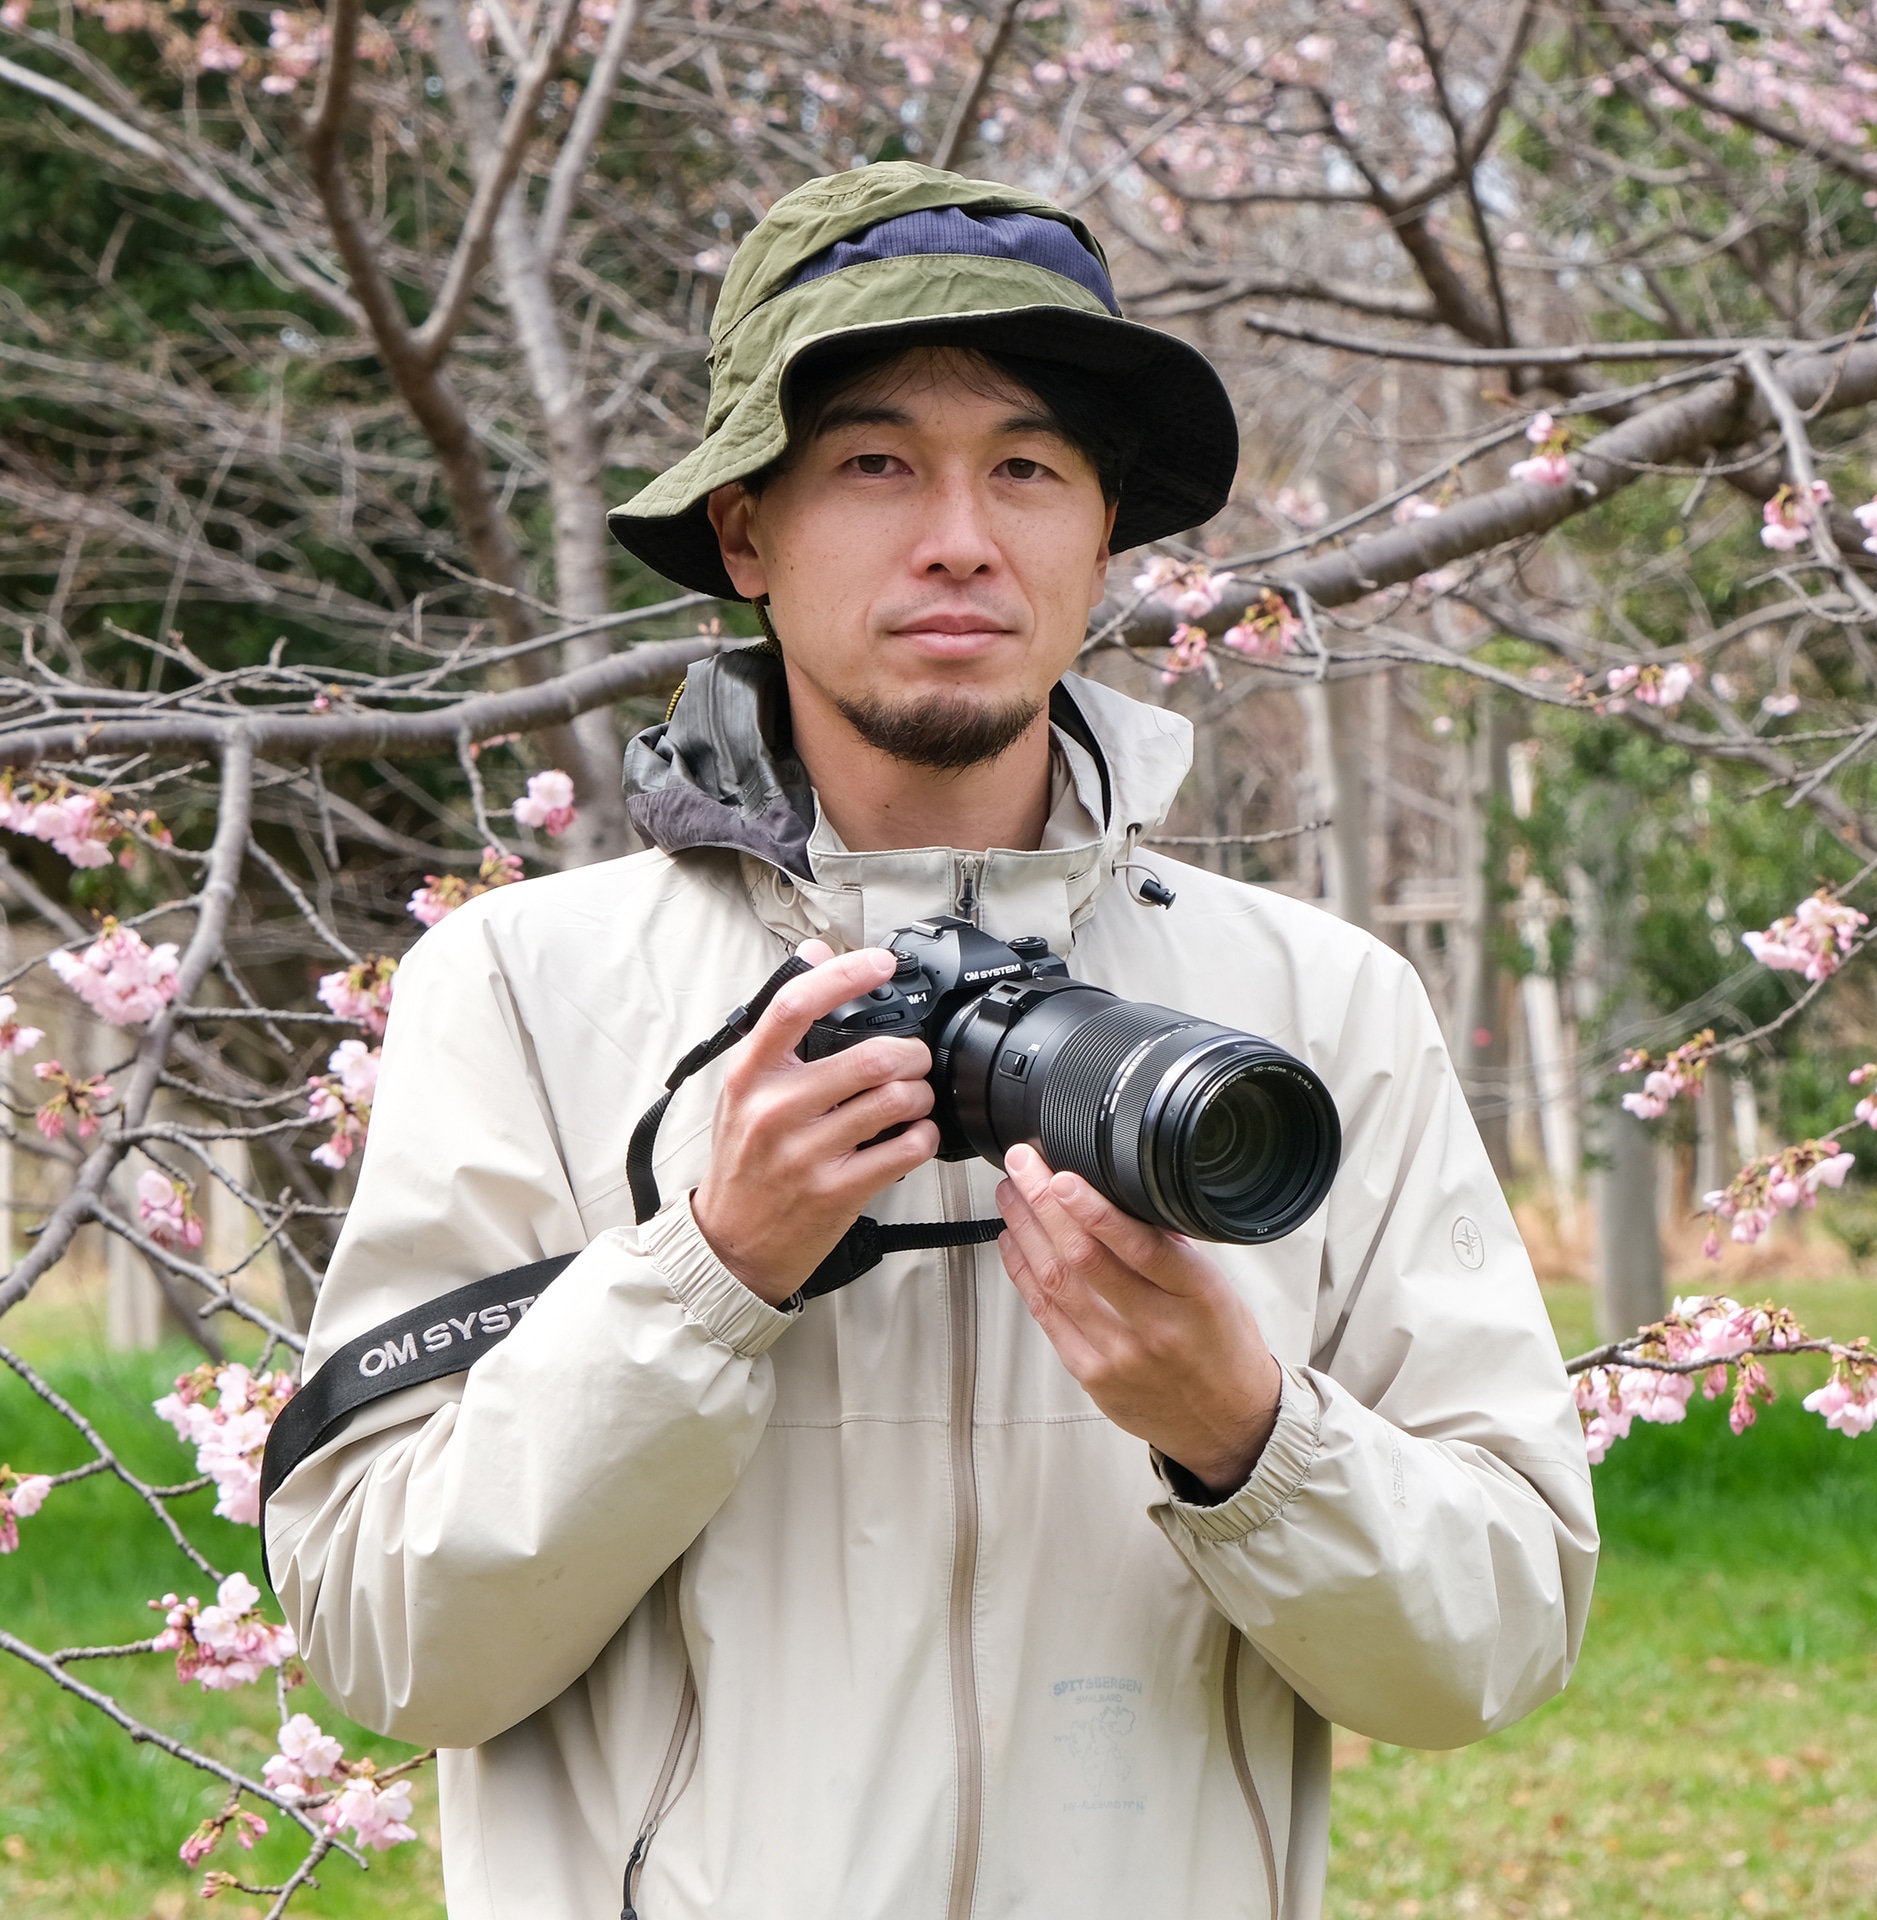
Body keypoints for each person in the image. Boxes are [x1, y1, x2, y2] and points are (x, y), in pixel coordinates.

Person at [268, 163, 1597, 1920]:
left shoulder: (1316, 1006)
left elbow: (1491, 1646)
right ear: (746, 531)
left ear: (1101, 537)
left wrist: (1243, 1432)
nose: (961, 536)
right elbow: (387, 1639)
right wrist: (708, 1274)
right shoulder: (521, 989)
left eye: (1029, 469)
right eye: (875, 464)